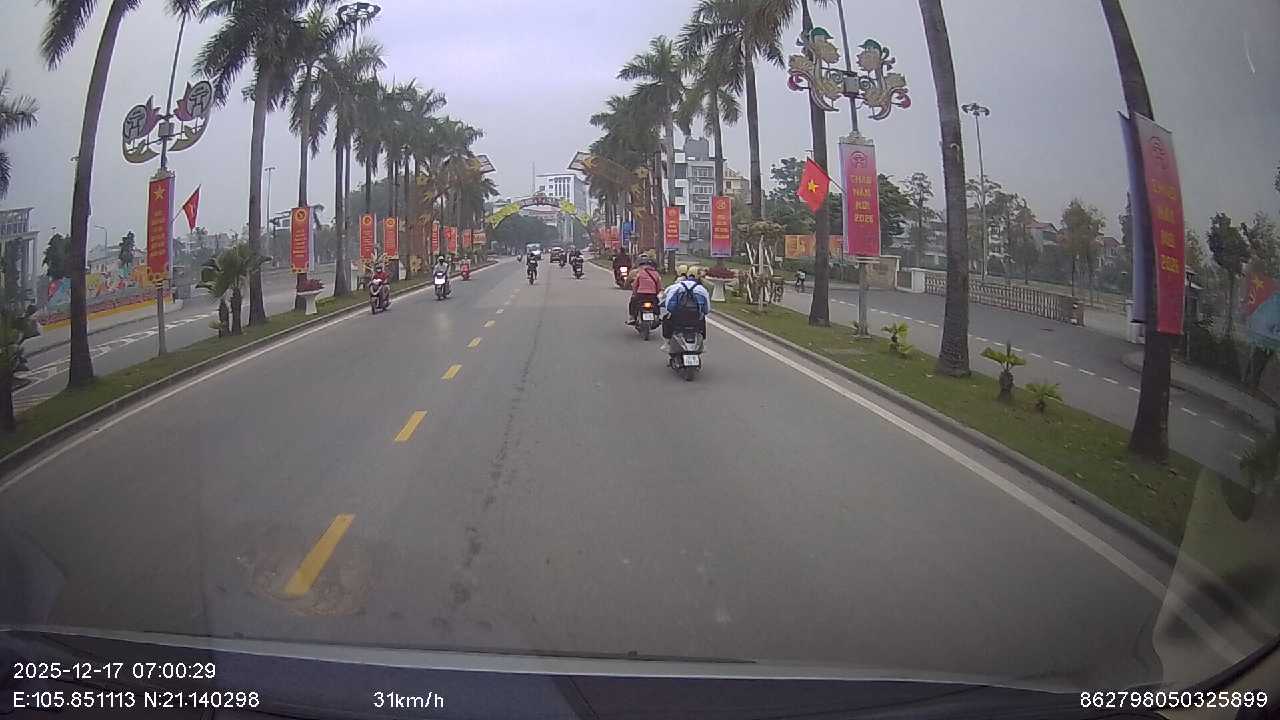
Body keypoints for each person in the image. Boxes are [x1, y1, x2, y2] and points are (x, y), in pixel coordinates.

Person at [660, 266, 710, 353]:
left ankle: (667, 342)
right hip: (695, 319)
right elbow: (706, 309)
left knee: (666, 320)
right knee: (703, 320)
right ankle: (702, 343)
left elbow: (669, 306)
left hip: (678, 319)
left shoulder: (677, 287)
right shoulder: (702, 289)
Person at [627, 256, 664, 324]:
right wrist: (657, 292)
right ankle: (657, 317)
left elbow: (635, 285)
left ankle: (632, 317)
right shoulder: (656, 274)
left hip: (641, 294)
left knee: (633, 303)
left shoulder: (640, 273)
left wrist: (635, 293)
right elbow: (659, 286)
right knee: (656, 304)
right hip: (652, 295)